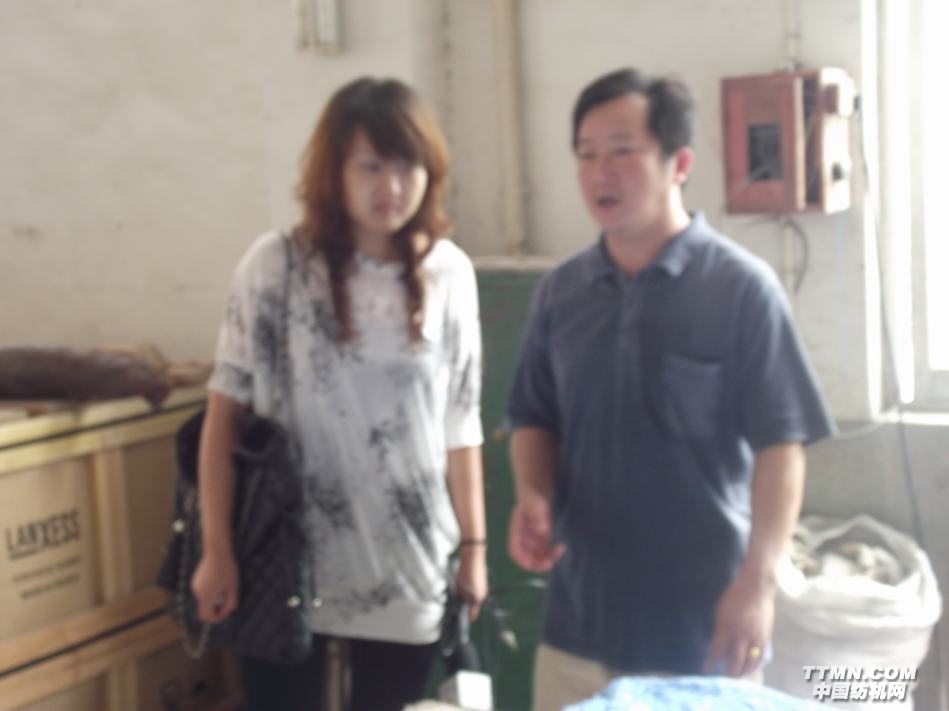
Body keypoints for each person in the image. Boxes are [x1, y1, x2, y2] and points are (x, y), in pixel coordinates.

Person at [505, 68, 835, 711]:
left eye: (622, 152)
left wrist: (758, 587)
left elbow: (783, 447)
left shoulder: (740, 290)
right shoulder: (561, 293)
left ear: (678, 163)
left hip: (701, 633)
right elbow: (532, 416)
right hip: (577, 630)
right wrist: (532, 495)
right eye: (586, 155)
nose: (600, 173)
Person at [191, 77, 488, 711]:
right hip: (285, 562)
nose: (391, 186)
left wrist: (475, 549)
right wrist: (216, 550)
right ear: (335, 172)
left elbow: (461, 425)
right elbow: (223, 416)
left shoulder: (451, 274)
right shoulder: (275, 267)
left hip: (408, 564)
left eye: (406, 166)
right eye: (371, 166)